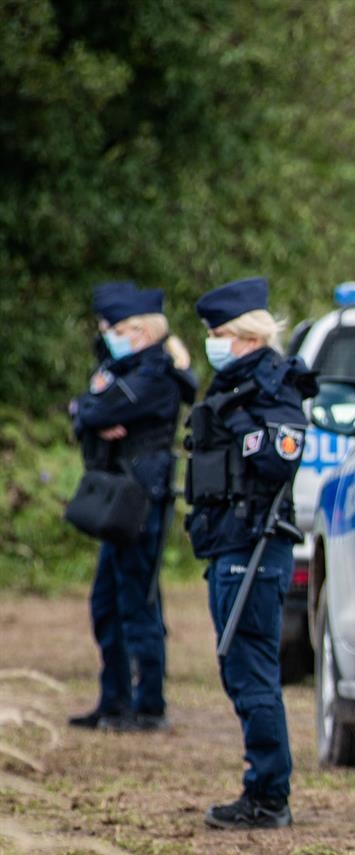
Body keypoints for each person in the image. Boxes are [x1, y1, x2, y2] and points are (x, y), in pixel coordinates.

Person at [186, 277, 314, 830]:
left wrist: (238, 426)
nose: (212, 343)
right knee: (240, 668)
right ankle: (264, 787)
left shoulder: (271, 384)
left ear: (242, 335)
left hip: (256, 545)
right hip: (230, 543)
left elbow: (283, 453)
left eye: (218, 333)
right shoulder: (234, 383)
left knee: (252, 669)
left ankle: (268, 795)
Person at [67, 282, 196, 732]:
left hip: (141, 499)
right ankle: (115, 699)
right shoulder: (123, 369)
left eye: (115, 328)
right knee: (107, 601)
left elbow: (97, 411)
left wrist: (91, 413)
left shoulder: (156, 374)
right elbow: (86, 410)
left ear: (140, 330)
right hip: (119, 495)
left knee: (137, 601)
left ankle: (148, 704)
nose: (107, 336)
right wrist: (88, 412)